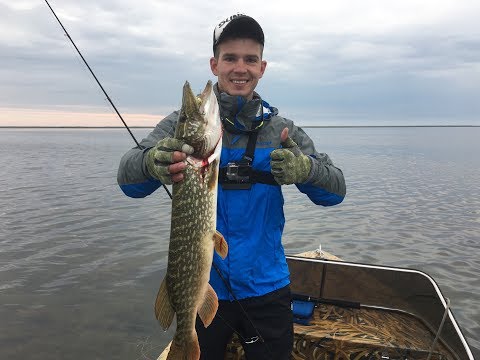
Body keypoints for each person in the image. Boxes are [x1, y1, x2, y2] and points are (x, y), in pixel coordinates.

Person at [117, 13, 346, 360]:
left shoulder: (281, 130)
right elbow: (127, 180)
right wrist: (151, 162)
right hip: (204, 288)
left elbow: (336, 191)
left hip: (267, 287)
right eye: (230, 58)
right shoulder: (182, 125)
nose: (240, 68)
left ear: (262, 67)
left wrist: (306, 169)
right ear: (214, 64)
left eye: (250, 59)